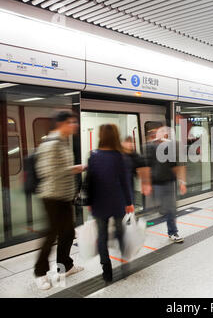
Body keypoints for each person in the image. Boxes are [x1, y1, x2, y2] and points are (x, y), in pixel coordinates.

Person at [34, 111, 85, 290]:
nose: (75, 126)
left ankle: (66, 267)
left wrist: (72, 169)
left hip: (63, 196)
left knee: (68, 233)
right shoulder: (52, 143)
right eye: (72, 122)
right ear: (62, 124)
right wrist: (76, 168)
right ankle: (40, 273)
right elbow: (47, 172)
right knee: (51, 235)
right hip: (52, 196)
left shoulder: (62, 142)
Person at [86, 124, 134, 282]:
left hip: (99, 201)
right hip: (117, 200)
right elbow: (125, 182)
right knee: (120, 232)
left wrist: (89, 200)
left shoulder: (93, 155)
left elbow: (90, 181)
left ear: (101, 136)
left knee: (102, 235)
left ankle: (106, 270)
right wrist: (129, 202)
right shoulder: (120, 156)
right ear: (115, 136)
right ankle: (124, 264)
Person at [145, 126, 187, 242]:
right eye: (161, 132)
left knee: (171, 209)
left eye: (166, 133)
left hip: (169, 182)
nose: (163, 134)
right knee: (161, 208)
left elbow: (175, 166)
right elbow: (146, 166)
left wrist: (181, 182)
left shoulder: (170, 147)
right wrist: (146, 183)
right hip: (155, 183)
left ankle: (173, 232)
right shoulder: (149, 147)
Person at [121, 136, 151, 202]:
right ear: (122, 143)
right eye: (127, 142)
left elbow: (143, 166)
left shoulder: (134, 155)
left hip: (129, 184)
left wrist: (145, 183)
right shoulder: (118, 155)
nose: (130, 144)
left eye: (131, 142)